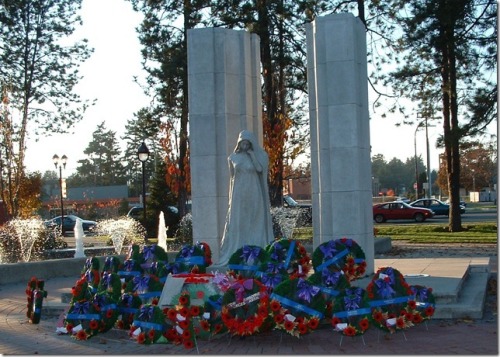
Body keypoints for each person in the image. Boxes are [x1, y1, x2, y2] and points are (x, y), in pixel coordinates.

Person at [216, 130, 274, 266]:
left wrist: (253, 156)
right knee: (239, 220)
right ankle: (238, 249)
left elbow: (260, 170)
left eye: (247, 144)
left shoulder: (256, 156)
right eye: (243, 143)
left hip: (253, 191)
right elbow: (232, 179)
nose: (245, 146)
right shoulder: (232, 158)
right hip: (239, 193)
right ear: (239, 143)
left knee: (254, 219)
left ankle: (255, 249)